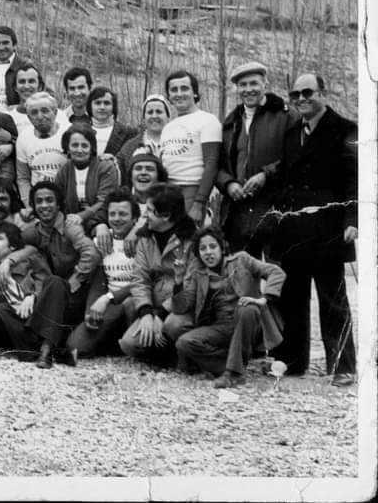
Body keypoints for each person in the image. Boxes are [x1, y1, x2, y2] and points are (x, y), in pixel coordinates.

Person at [270, 73, 357, 386]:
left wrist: (352, 220)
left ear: (323, 92)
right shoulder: (293, 131)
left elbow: (353, 179)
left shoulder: (346, 129)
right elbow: (284, 175)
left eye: (307, 92)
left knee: (332, 300)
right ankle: (294, 362)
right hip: (294, 229)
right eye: (295, 94)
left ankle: (343, 366)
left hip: (329, 229)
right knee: (293, 298)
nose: (301, 99)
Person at [172, 229, 285, 388]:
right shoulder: (199, 274)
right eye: (203, 249)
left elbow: (276, 272)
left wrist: (263, 299)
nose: (208, 252)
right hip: (221, 327)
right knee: (184, 342)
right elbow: (181, 307)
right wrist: (178, 280)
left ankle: (234, 373)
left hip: (250, 323)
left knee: (246, 308)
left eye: (213, 246)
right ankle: (235, 367)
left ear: (222, 247)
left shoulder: (242, 260)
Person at [215, 61, 295, 256]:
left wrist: (265, 175)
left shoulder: (286, 116)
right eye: (243, 85)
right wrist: (228, 185)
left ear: (265, 85)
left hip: (275, 209)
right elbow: (218, 166)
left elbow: (297, 157)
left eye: (253, 84)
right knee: (242, 278)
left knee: (278, 279)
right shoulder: (230, 122)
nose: (248, 89)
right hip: (238, 213)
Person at [118, 182, 198, 366]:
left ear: (166, 215)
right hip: (154, 302)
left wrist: (160, 314)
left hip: (182, 306)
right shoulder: (145, 238)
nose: (144, 215)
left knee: (174, 325)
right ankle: (166, 355)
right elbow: (139, 279)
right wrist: (146, 313)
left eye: (150, 210)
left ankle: (185, 354)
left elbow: (190, 285)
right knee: (129, 344)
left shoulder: (192, 239)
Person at [5, 180, 100, 328]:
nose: (44, 206)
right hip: (47, 293)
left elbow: (91, 254)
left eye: (49, 200)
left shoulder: (70, 228)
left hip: (75, 296)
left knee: (55, 284)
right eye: (39, 201)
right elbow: (13, 250)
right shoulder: (32, 232)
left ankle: (47, 344)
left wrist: (74, 281)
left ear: (58, 204)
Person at [0, 221, 73, 369]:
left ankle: (47, 348)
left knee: (56, 282)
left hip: (42, 315)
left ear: (12, 246)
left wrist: (32, 295)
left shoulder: (31, 259)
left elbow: (45, 281)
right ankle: (40, 351)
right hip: (19, 324)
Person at [67, 189, 141, 358]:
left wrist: (107, 298)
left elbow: (143, 281)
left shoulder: (142, 241)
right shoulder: (103, 239)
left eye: (123, 214)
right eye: (112, 214)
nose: (116, 219)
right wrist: (91, 311)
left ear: (135, 218)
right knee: (76, 346)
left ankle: (131, 347)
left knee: (131, 303)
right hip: (111, 302)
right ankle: (112, 342)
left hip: (134, 299)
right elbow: (99, 280)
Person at [159, 70, 222, 224]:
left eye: (184, 88)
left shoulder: (208, 120)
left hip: (193, 190)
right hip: (168, 191)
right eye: (174, 90)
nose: (179, 94)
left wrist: (199, 203)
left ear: (194, 92)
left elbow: (212, 163)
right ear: (168, 96)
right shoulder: (168, 127)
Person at [53, 123, 119, 233]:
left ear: (92, 147)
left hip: (101, 222)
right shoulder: (64, 171)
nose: (79, 150)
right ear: (67, 148)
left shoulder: (105, 167)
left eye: (84, 145)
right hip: (71, 223)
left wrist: (81, 216)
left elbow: (105, 201)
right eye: (74, 145)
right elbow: (58, 201)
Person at [14, 91, 68, 210]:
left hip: (66, 197)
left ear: (54, 112)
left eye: (45, 110)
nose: (40, 116)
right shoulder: (23, 138)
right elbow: (23, 178)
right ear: (28, 117)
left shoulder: (68, 133)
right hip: (39, 201)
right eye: (34, 112)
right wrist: (29, 206)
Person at [117, 94, 171, 186]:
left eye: (159, 112)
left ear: (168, 116)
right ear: (144, 117)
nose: (154, 116)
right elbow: (119, 172)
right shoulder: (131, 146)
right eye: (150, 112)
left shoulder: (177, 142)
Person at [86, 85, 138, 160]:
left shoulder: (128, 133)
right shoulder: (79, 131)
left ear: (114, 106)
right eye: (97, 103)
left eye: (107, 103)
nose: (102, 107)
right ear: (90, 106)